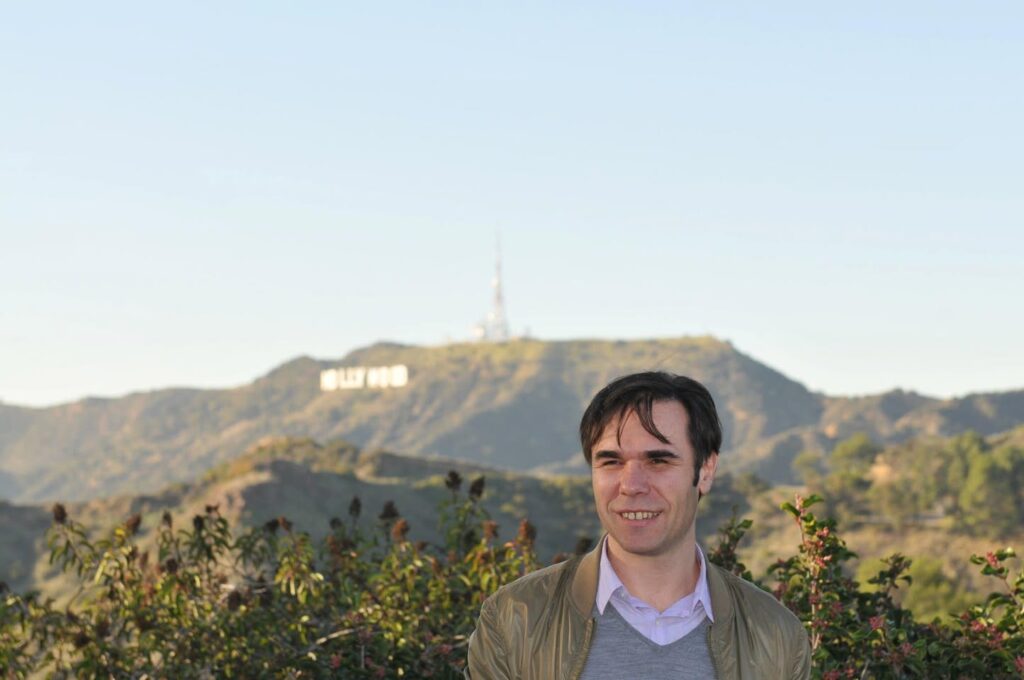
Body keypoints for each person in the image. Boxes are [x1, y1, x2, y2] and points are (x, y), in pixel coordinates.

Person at [466, 371, 811, 679]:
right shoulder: (515, 619)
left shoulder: (777, 637)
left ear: (705, 471)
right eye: (611, 462)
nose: (631, 485)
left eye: (658, 460)